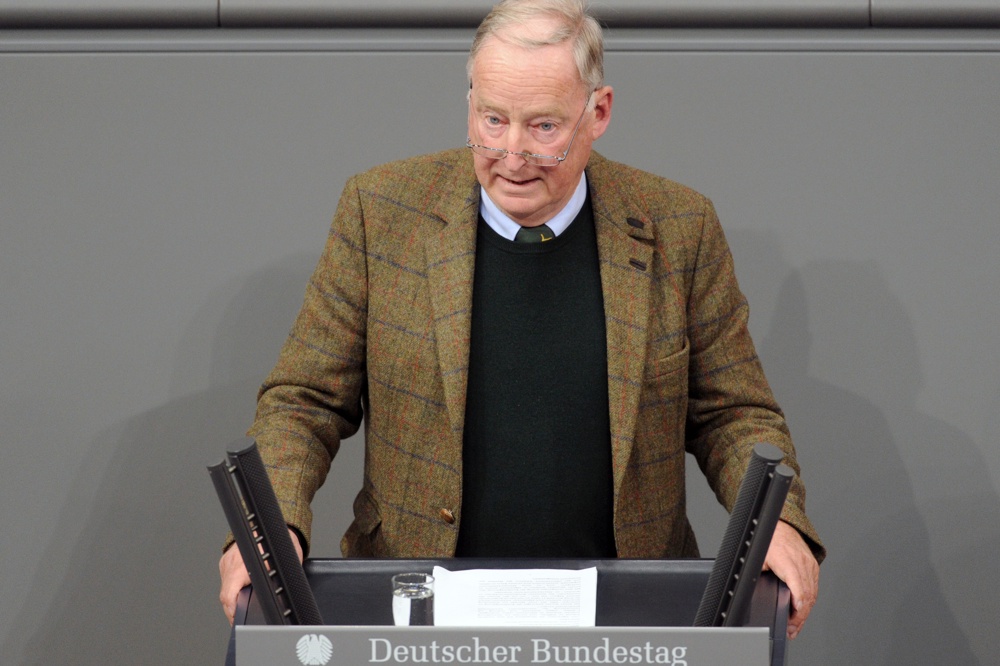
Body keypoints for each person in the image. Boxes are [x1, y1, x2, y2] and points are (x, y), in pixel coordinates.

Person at [219, 0, 824, 639]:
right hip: (420, 618)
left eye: (543, 127)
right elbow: (303, 402)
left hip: (627, 618)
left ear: (599, 112)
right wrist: (272, 522)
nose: (512, 154)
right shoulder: (382, 213)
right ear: (470, 101)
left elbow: (735, 414)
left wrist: (775, 524)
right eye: (492, 120)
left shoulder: (678, 226)